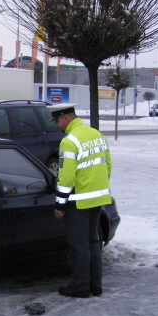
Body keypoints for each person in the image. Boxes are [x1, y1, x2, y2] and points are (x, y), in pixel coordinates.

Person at [50, 104, 112, 299]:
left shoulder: (69, 141)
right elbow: (107, 165)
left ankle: (80, 286)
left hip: (78, 202)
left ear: (66, 118)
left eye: (57, 121)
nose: (56, 125)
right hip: (98, 198)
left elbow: (66, 178)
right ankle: (96, 285)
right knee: (93, 241)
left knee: (79, 246)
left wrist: (60, 204)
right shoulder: (96, 135)